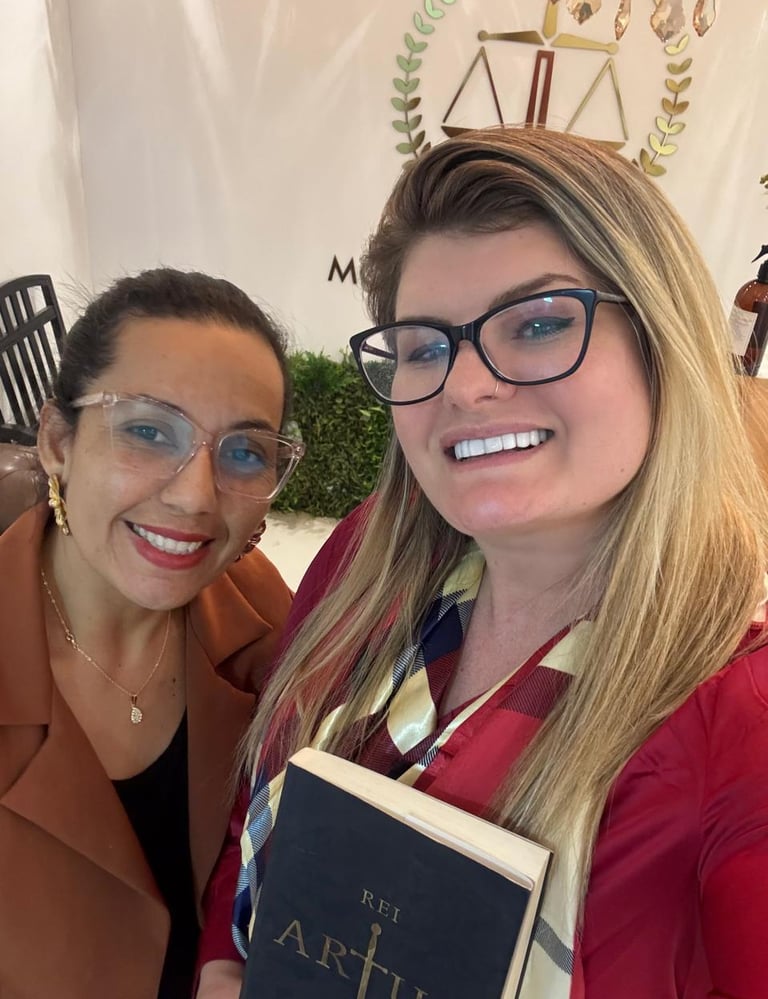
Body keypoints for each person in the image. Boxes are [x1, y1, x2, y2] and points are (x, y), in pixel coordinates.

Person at [196, 127, 768, 999]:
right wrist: (222, 962)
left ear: (662, 345)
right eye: (425, 346)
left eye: (538, 324)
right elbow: (269, 788)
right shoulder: (363, 559)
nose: (464, 386)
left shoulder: (742, 719)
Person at [0, 267, 305, 999]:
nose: (195, 497)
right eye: (146, 430)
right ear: (58, 441)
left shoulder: (268, 619)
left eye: (244, 451)